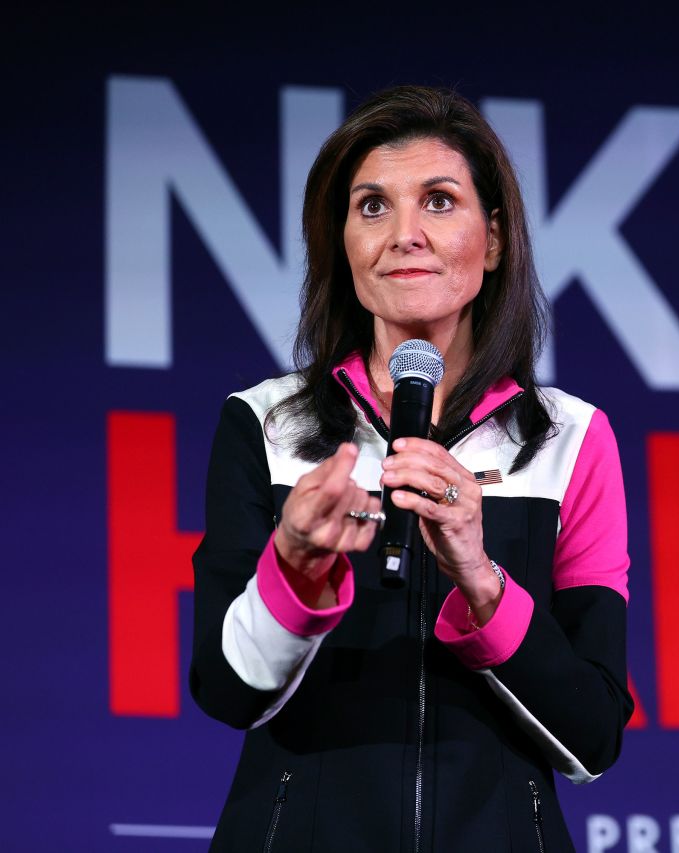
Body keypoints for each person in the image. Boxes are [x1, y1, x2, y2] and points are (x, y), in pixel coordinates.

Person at [189, 86, 632, 852]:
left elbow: (593, 736)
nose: (404, 235)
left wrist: (482, 581)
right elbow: (227, 692)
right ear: (343, 244)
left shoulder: (571, 438)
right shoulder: (265, 423)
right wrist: (291, 572)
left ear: (492, 241)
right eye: (371, 207)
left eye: (438, 201)